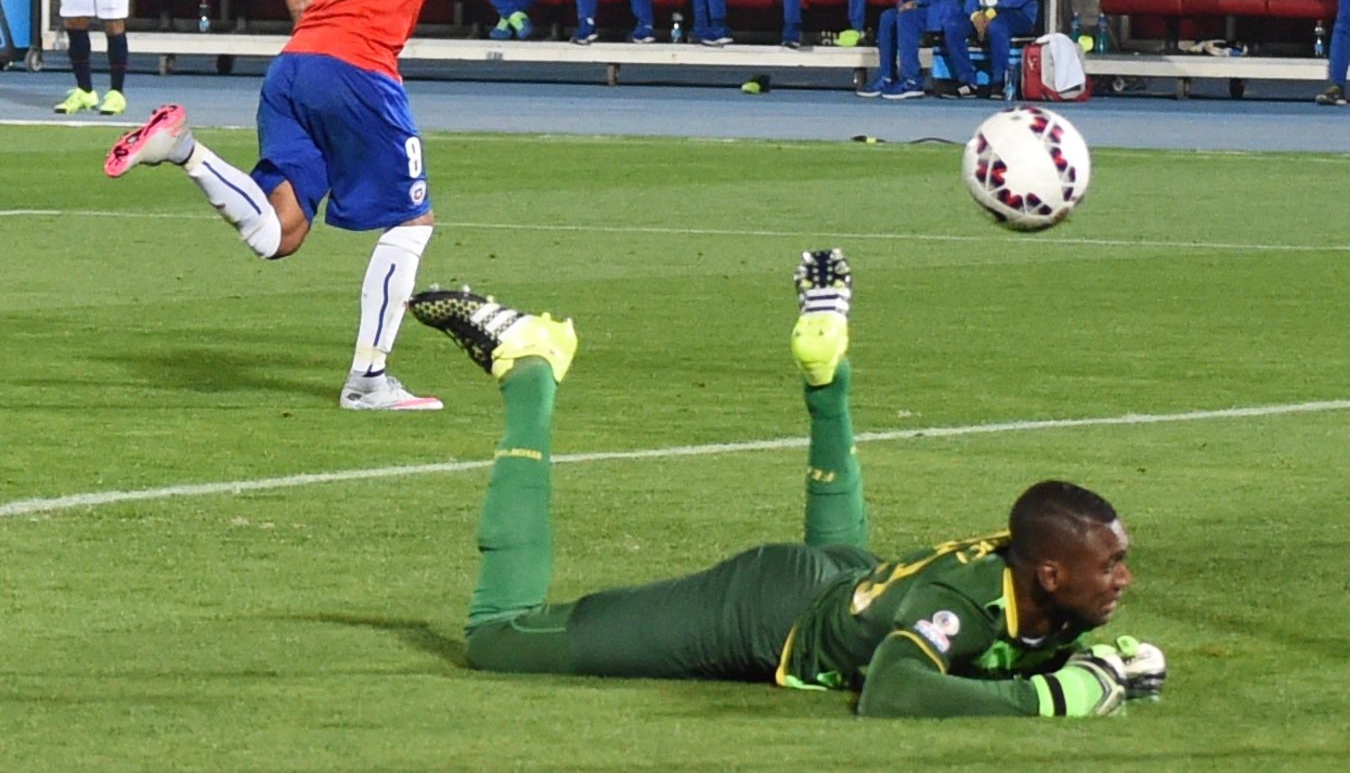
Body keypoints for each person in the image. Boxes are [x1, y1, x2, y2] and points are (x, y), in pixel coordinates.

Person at [407, 249, 1166, 716]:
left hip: (850, 583)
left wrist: (1108, 664)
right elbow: (896, 692)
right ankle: (528, 367)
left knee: (853, 585)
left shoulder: (1037, 583)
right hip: (763, 610)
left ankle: (825, 372)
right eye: (1111, 566)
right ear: (1050, 572)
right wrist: (1059, 695)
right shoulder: (959, 606)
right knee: (498, 640)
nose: (1126, 579)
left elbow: (1018, 644)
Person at [97, 0, 561, 411]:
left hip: (296, 66)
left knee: (279, 233)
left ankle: (184, 150)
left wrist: (304, 12)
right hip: (359, 71)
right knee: (410, 220)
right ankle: (368, 381)